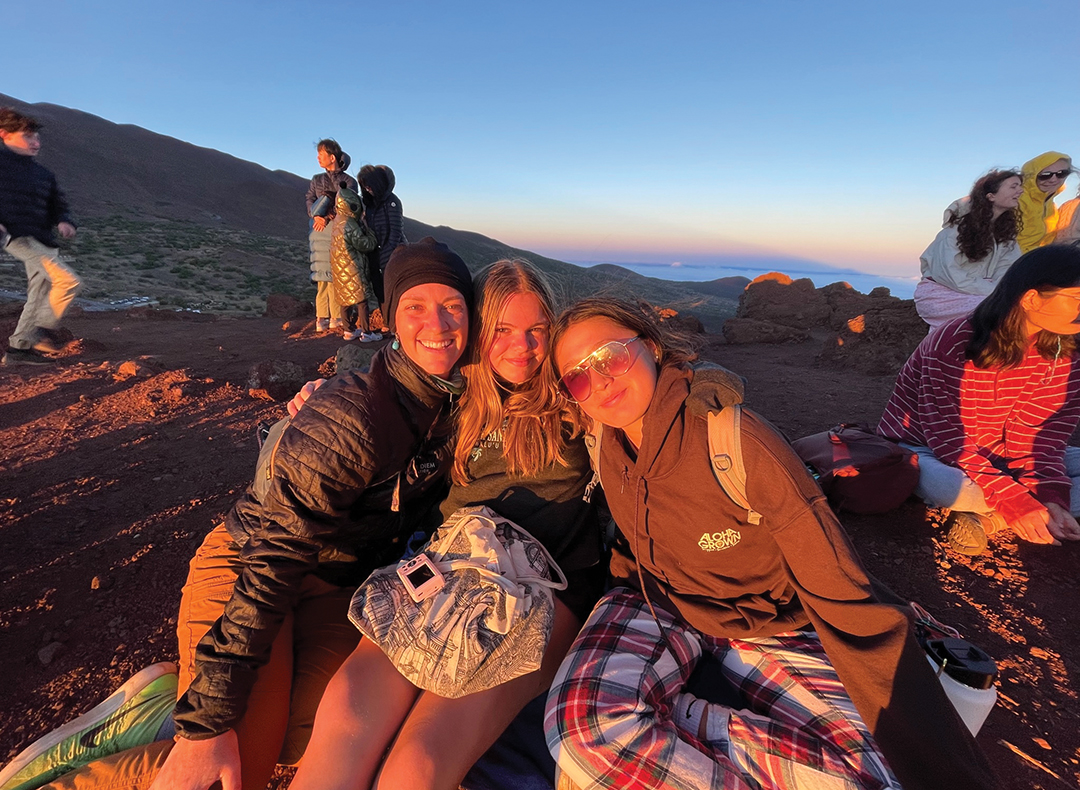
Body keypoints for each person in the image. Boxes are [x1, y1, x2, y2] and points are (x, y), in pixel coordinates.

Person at [2, 238, 475, 790]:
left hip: (334, 587)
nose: (436, 322)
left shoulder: (458, 401)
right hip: (253, 566)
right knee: (231, 768)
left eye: (453, 305)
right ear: (391, 317)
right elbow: (274, 558)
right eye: (415, 305)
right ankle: (81, 773)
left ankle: (159, 710)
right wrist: (207, 724)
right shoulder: (353, 415)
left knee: (320, 740)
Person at [544, 298, 1002, 790]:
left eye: (610, 355)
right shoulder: (602, 440)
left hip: (764, 621)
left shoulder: (735, 441)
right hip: (658, 599)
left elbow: (841, 590)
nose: (602, 380)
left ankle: (684, 716)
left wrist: (950, 765)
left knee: (888, 773)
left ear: (651, 346)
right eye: (578, 376)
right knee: (581, 732)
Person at [287, 259, 603, 790]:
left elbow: (645, 385)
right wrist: (323, 398)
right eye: (501, 330)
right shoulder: (453, 401)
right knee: (345, 718)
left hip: (542, 587)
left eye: (537, 331)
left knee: (417, 767)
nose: (521, 347)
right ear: (479, 333)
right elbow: (381, 395)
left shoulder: (577, 397)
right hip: (446, 565)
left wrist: (711, 388)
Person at [880, 245, 1080, 556]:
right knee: (956, 490)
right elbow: (949, 440)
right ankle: (1010, 511)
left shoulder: (1065, 354)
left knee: (1051, 486)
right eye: (1077, 299)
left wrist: (1052, 495)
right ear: (1030, 299)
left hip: (1009, 452)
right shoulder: (956, 342)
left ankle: (995, 521)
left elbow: (1043, 439)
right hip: (931, 448)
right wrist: (1016, 498)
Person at [0, 107, 81, 366]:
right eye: (27, 136)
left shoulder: (43, 174)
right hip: (18, 237)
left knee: (38, 296)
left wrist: (64, 221)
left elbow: (59, 204)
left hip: (44, 239)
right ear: (4, 134)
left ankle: (18, 351)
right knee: (68, 281)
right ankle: (42, 331)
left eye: (36, 137)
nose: (36, 142)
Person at [914, 170, 1023, 327]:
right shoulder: (955, 231)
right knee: (1001, 309)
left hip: (982, 292)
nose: (1020, 191)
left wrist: (1000, 290)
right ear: (991, 195)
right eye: (1013, 186)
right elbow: (948, 274)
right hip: (940, 294)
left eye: (1020, 186)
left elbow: (1009, 268)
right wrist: (996, 292)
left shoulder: (1004, 235)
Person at [305, 139, 357, 333]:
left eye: (321, 154)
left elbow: (350, 204)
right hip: (319, 232)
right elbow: (309, 199)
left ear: (332, 157)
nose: (318, 158)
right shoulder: (316, 180)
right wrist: (315, 214)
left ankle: (336, 316)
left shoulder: (350, 182)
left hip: (337, 231)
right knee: (322, 275)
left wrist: (325, 215)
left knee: (338, 275)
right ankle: (322, 317)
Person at [358, 163, 405, 331]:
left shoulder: (392, 202)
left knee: (393, 290)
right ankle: (387, 323)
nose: (367, 188)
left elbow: (396, 230)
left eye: (368, 184)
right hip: (374, 254)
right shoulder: (370, 205)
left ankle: (397, 325)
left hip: (392, 253)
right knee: (380, 290)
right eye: (364, 185)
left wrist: (389, 253)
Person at [1016, 151, 1073, 253]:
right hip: (1016, 263)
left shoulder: (1050, 204)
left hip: (1041, 259)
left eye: (1061, 174)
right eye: (1045, 175)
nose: (1053, 180)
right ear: (1032, 176)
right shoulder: (1017, 200)